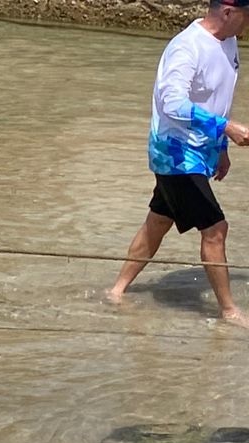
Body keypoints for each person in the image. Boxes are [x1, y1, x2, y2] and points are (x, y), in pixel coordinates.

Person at [107, 0, 249, 325]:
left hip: (200, 151)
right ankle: (229, 311)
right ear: (228, 11)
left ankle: (116, 292)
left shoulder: (228, 43)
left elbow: (217, 99)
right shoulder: (187, 47)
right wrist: (227, 128)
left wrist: (221, 147)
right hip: (175, 153)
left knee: (158, 221)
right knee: (216, 230)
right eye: (248, 15)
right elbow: (173, 104)